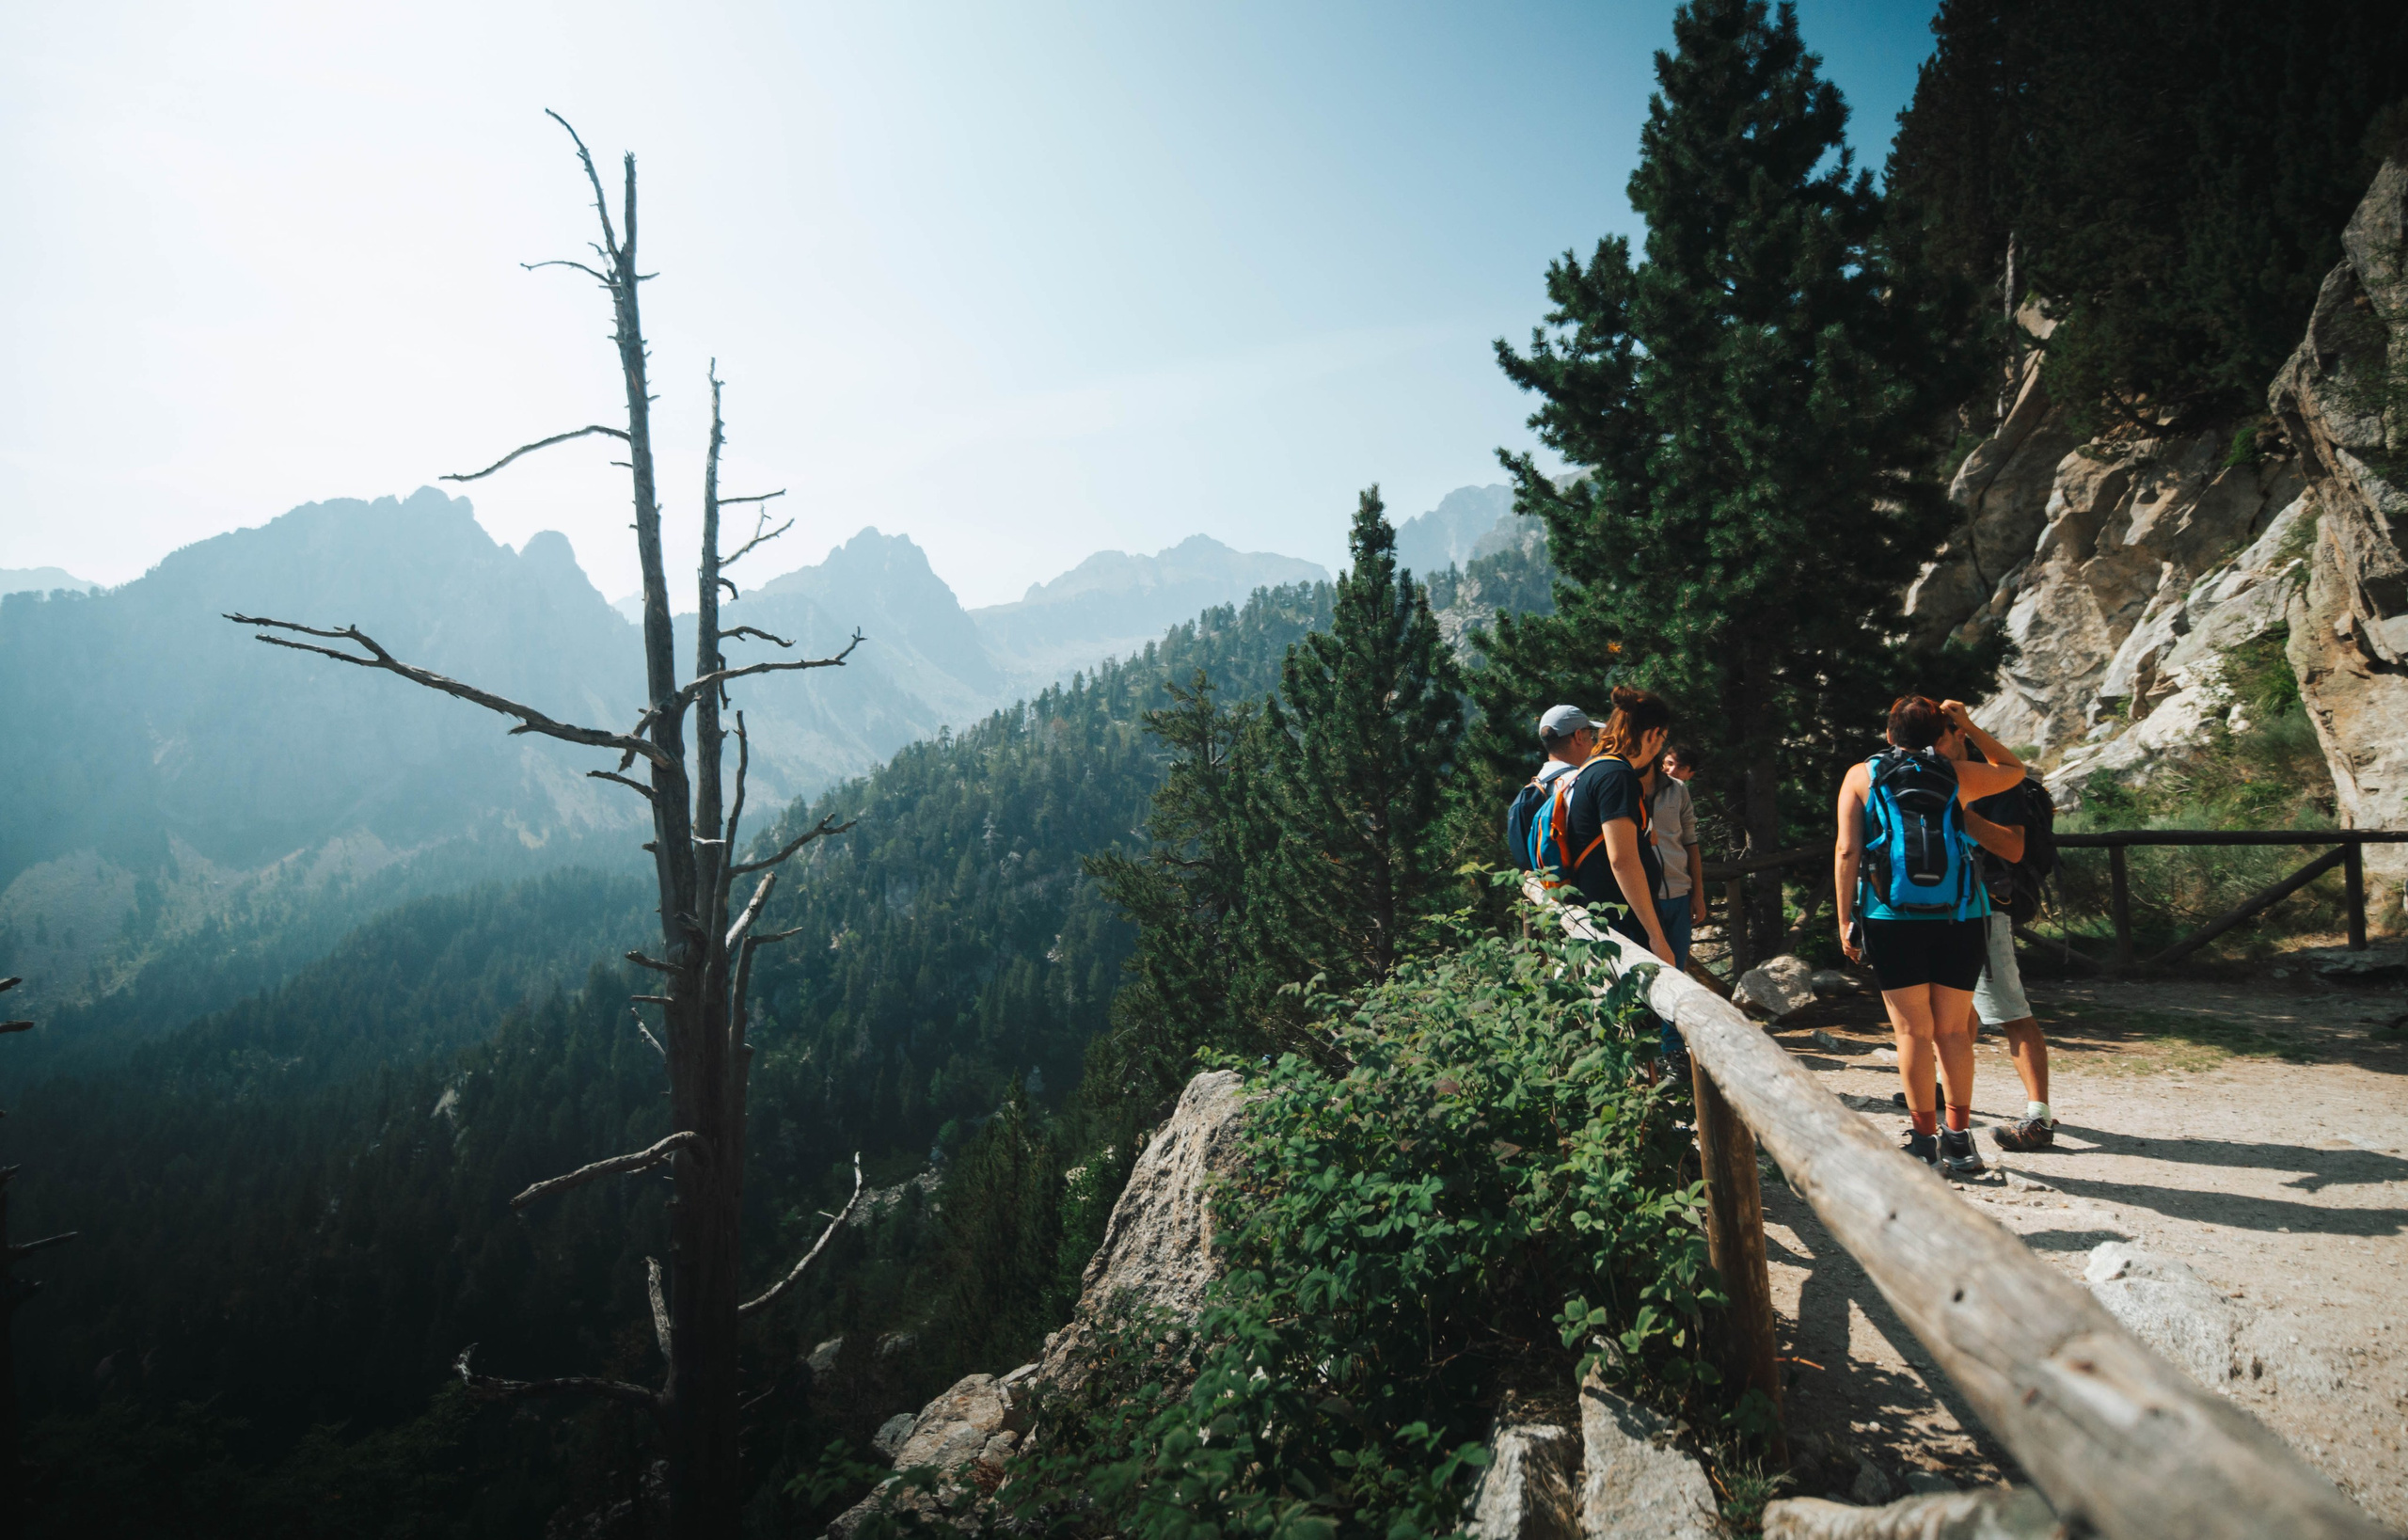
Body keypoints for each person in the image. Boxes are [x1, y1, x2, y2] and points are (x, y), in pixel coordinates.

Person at [1832, 697, 2025, 1176]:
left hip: (1890, 916)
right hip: (1960, 915)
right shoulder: (1957, 775)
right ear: (1940, 735)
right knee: (1954, 1031)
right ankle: (1959, 1141)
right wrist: (1970, 727)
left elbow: (1847, 850)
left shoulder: (1861, 776)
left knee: (1912, 1032)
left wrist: (1844, 920)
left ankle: (1923, 1143)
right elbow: (2014, 770)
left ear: (1888, 733)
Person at [1952, 737, 2058, 1152]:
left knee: (2010, 1011)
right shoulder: (1935, 777)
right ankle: (1948, 1088)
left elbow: (2013, 848)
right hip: (1945, 909)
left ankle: (2039, 1118)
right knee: (1957, 1008)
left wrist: (1958, 812)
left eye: (1938, 735)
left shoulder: (1995, 782)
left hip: (1984, 909)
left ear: (1957, 737)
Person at [1561, 687, 1677, 971]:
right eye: (1662, 739)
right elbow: (1622, 860)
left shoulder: (1593, 767)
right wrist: (1656, 937)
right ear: (1653, 734)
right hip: (1622, 929)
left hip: (1604, 922)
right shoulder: (1616, 776)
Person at [1647, 743, 1707, 1082]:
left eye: (1677, 765)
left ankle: (1673, 1053)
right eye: (1667, 763)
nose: (1670, 769)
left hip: (1679, 894)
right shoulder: (1627, 784)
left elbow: (1690, 842)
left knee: (1675, 971)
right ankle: (1652, 1055)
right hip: (1643, 898)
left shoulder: (1679, 791)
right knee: (1647, 974)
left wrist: (1698, 893)